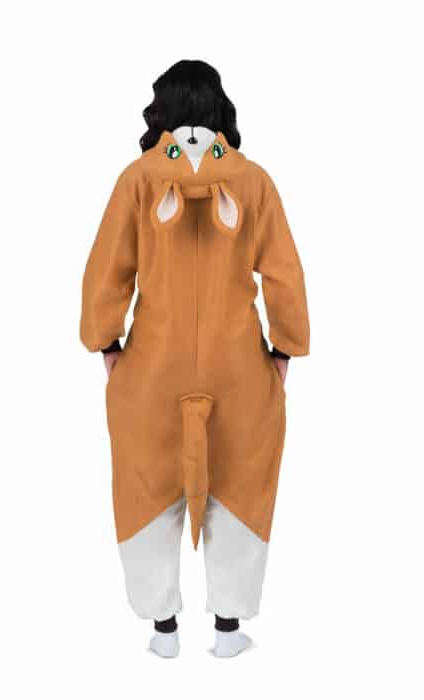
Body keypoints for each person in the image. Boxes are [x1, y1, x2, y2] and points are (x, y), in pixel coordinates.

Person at [79, 59, 310, 658]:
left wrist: (107, 344)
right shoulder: (253, 181)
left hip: (152, 367)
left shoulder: (138, 179)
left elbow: (108, 269)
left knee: (145, 483)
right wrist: (284, 350)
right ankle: (228, 631)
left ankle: (163, 631)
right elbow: (283, 273)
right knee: (242, 483)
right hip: (240, 367)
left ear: (161, 109)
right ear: (220, 108)